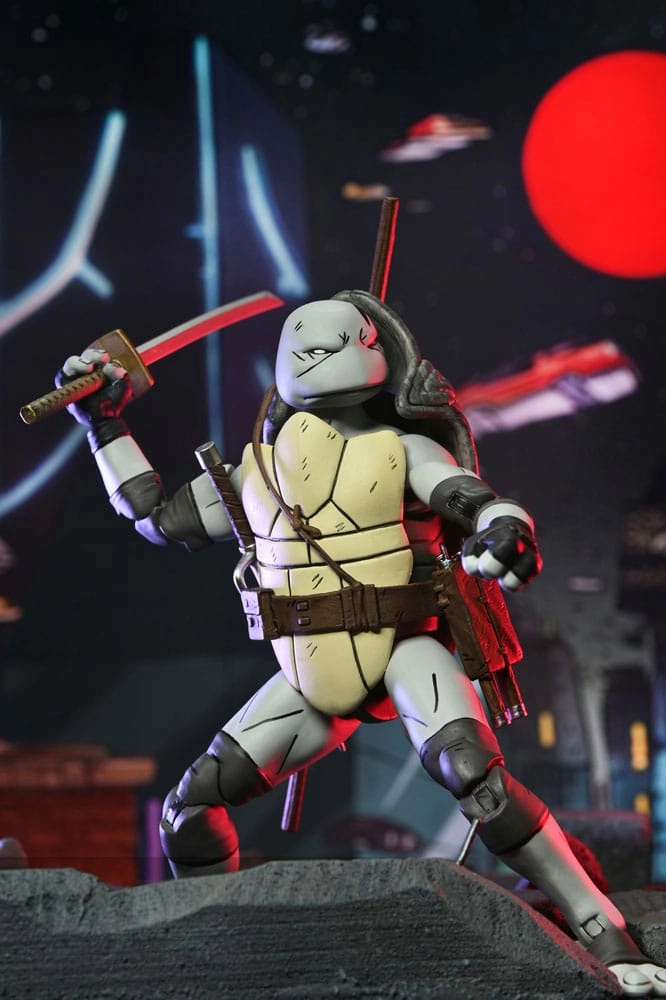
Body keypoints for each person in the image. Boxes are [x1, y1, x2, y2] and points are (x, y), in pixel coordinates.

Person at [58, 291, 666, 997]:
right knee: (188, 813)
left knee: (476, 777)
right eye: (303, 341)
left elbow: (476, 500)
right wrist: (104, 423)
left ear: (379, 352)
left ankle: (606, 934)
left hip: (406, 648)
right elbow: (154, 515)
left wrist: (506, 532)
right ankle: (216, 952)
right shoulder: (256, 470)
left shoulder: (404, 450)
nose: (312, 352)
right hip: (310, 677)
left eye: (336, 340)